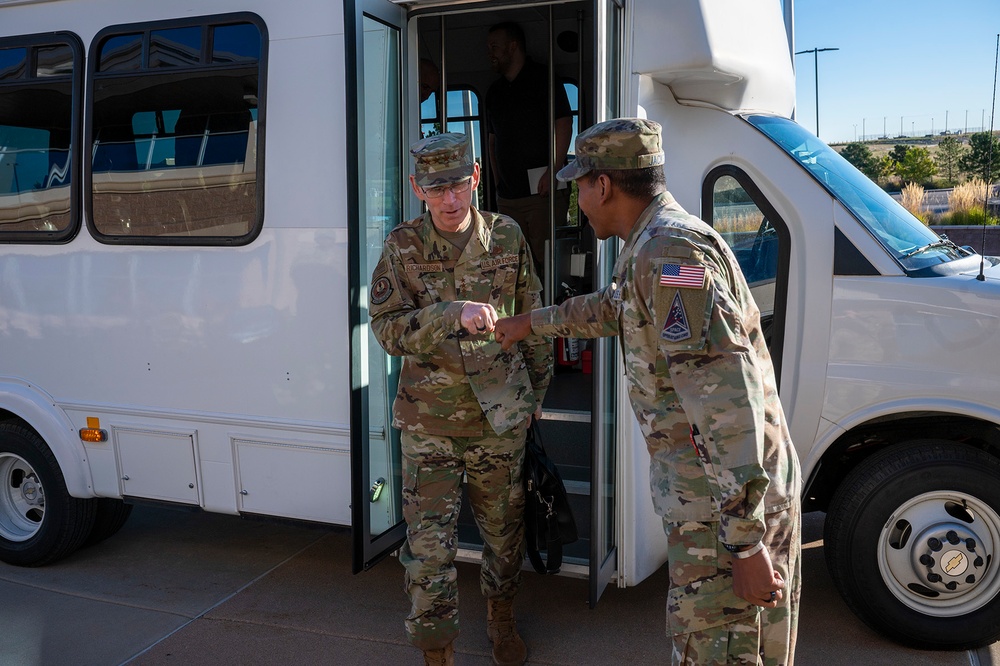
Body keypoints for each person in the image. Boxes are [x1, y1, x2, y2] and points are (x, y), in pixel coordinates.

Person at [494, 119, 802, 666]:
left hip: (723, 512)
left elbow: (726, 404)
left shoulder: (668, 255)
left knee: (725, 651)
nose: (578, 200)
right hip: (715, 503)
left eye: (579, 186)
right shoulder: (651, 243)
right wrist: (530, 324)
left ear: (604, 185)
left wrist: (746, 542)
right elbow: (615, 309)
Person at [369, 132, 552, 666]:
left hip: (499, 420)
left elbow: (532, 318)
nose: (449, 201)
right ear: (416, 188)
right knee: (428, 552)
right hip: (428, 423)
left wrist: (537, 391)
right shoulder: (402, 247)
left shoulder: (508, 236)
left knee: (504, 537)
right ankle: (438, 652)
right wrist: (448, 314)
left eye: (456, 186)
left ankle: (501, 619)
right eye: (435, 189)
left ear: (474, 175)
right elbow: (385, 328)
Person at [485, 21, 573, 275]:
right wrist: (498, 181)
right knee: (511, 265)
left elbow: (564, 124)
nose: (489, 53)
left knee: (545, 263)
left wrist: (554, 170)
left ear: (513, 47)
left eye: (494, 46)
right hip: (508, 197)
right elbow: (492, 142)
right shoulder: (494, 92)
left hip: (542, 193)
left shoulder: (544, 79)